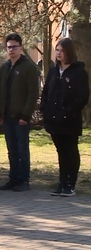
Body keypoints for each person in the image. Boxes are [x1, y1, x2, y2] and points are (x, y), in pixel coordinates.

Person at [40, 38, 89, 197]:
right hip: (54, 119)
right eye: (57, 50)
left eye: (61, 50)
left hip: (70, 119)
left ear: (69, 52)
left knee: (71, 151)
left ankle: (70, 183)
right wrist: (46, 110)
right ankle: (61, 182)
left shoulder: (78, 72)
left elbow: (82, 97)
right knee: (61, 151)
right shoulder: (54, 71)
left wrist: (67, 111)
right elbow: (46, 92)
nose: (58, 53)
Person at [0, 33, 39, 192]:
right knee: (11, 149)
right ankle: (13, 178)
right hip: (7, 116)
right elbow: (1, 92)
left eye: (14, 46)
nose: (11, 50)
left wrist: (26, 115)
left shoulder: (29, 67)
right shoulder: (6, 67)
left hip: (21, 117)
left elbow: (32, 93)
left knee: (22, 149)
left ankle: (23, 179)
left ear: (21, 47)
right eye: (9, 47)